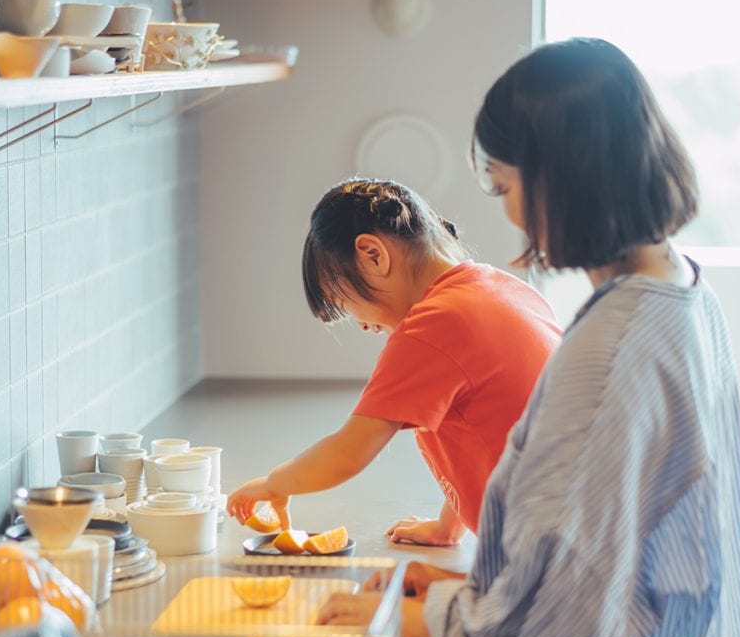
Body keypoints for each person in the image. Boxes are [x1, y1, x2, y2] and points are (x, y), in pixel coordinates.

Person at [318, 38, 740, 637]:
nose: (509, 211)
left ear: (561, 181)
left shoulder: (612, 353)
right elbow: (604, 544)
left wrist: (428, 615)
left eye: (505, 184)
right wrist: (474, 593)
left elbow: (549, 630)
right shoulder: (685, 295)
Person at [227, 178, 562, 546]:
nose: (364, 325)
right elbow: (488, 427)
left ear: (372, 254)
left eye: (345, 302)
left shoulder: (434, 325)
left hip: (543, 552)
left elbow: (347, 453)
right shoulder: (503, 290)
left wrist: (274, 484)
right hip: (588, 530)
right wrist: (447, 527)